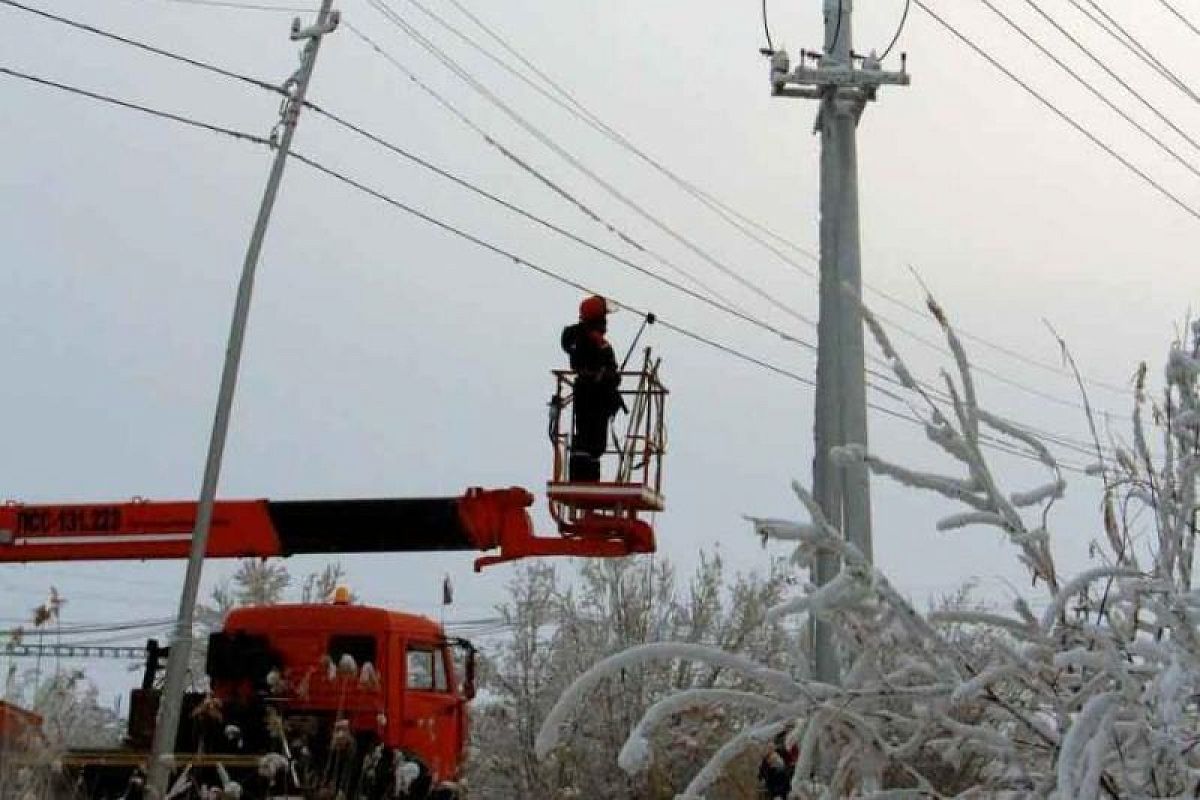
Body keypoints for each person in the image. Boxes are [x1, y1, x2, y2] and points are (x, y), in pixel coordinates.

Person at [561, 295, 622, 482]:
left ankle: (584, 470)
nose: (606, 323)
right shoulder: (594, 343)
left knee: (586, 437)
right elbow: (611, 371)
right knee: (593, 441)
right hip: (596, 395)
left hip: (585, 392)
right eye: (604, 318)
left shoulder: (575, 337)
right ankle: (585, 472)